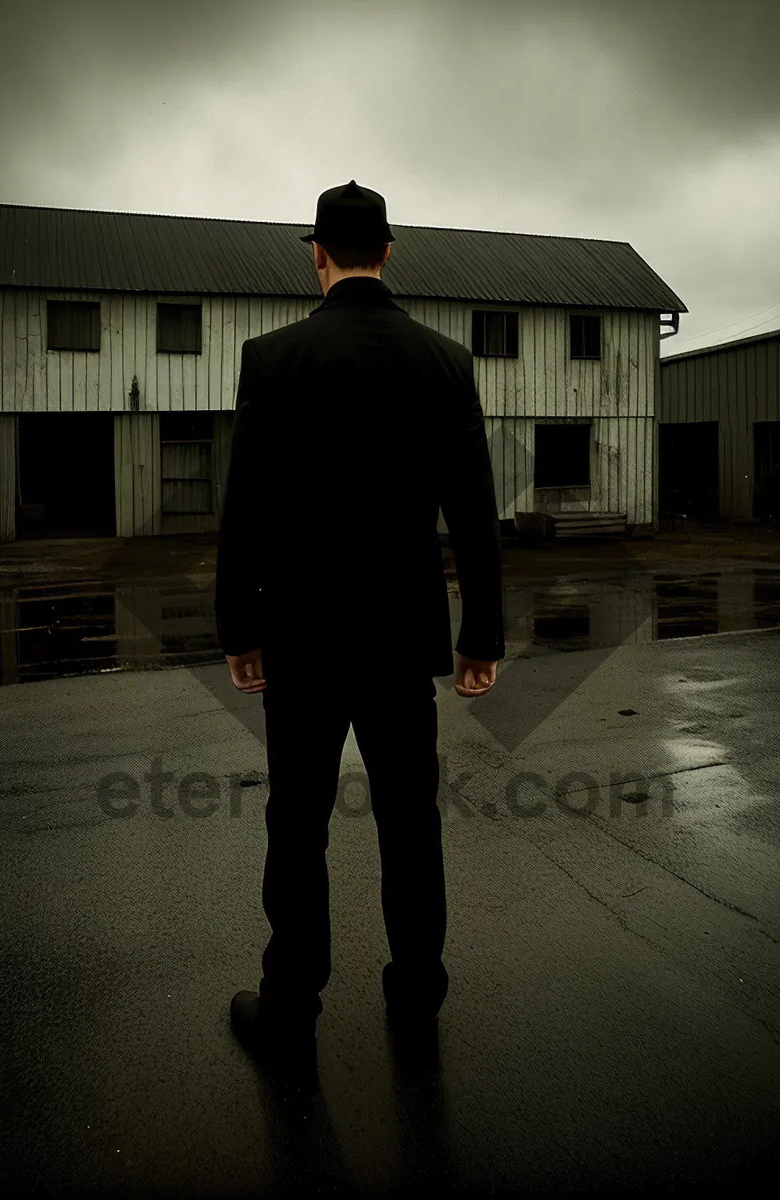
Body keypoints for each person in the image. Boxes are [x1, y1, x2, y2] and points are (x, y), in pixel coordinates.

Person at [215, 180, 504, 1075]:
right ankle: (416, 994)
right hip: (398, 643)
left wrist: (239, 626)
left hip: (299, 639)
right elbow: (475, 515)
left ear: (318, 255)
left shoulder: (272, 359)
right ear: (387, 253)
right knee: (409, 823)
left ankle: (293, 1007)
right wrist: (481, 635)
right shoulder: (445, 363)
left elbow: (245, 511)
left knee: (296, 824)